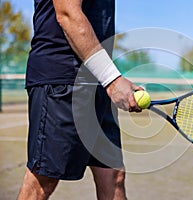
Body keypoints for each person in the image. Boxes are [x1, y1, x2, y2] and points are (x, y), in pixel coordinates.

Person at [17, 0, 142, 199]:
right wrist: (112, 80)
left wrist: (107, 80)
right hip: (65, 79)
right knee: (43, 180)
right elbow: (67, 13)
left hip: (97, 81)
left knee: (113, 175)